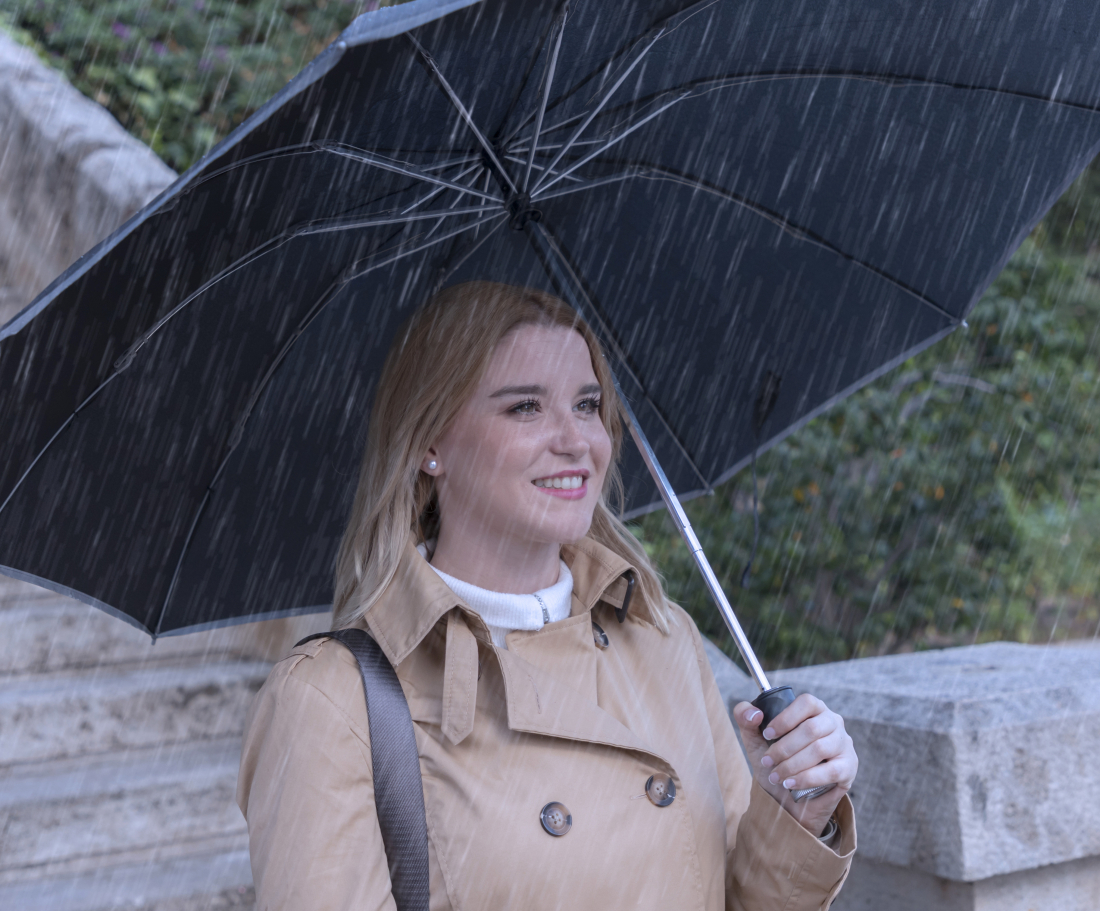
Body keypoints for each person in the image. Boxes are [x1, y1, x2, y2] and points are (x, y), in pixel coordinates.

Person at [237, 281, 858, 911]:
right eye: (525, 408)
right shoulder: (330, 698)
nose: (575, 440)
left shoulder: (664, 639)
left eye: (587, 405)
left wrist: (793, 812)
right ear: (430, 445)